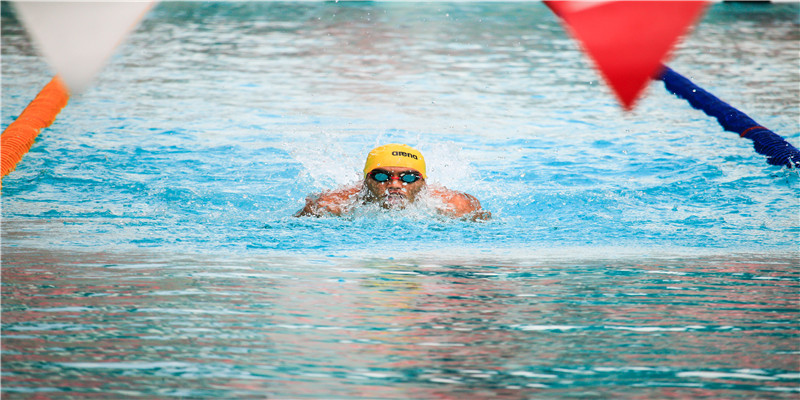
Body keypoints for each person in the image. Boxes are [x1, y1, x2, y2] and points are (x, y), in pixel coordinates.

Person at [296, 143, 490, 220]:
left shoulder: (456, 206)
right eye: (381, 176)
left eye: (408, 177)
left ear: (423, 182)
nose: (395, 185)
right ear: (366, 181)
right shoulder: (330, 205)